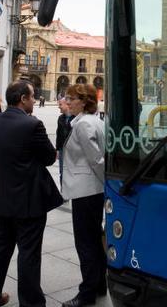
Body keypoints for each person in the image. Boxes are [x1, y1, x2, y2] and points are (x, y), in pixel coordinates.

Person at [0, 80, 62, 307]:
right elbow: (48, 157)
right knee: (29, 254)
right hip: (29, 202)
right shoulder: (32, 124)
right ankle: (31, 303)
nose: (34, 100)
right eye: (32, 96)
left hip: (4, 199)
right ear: (23, 99)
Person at [61, 83, 107, 307]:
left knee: (86, 243)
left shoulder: (83, 124)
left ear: (85, 102)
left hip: (86, 190)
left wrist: (105, 183)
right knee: (94, 240)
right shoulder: (92, 121)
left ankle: (86, 293)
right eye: (67, 98)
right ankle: (99, 284)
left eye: (72, 99)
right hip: (91, 190)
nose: (67, 102)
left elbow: (97, 160)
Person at [55, 97, 74, 184]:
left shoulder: (75, 117)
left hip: (72, 151)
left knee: (72, 172)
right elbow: (58, 134)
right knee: (62, 172)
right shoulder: (60, 118)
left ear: (67, 105)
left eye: (60, 104)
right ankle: (63, 194)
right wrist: (58, 149)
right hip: (63, 150)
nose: (59, 106)